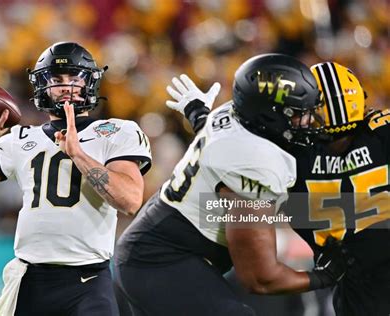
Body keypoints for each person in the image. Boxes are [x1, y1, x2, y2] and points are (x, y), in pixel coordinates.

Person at [113, 54, 348, 316]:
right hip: (157, 261)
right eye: (297, 115)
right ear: (270, 117)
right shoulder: (255, 161)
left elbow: (216, 137)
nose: (308, 122)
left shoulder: (237, 114)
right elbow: (260, 278)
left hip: (162, 243)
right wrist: (326, 276)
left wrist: (199, 113)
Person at [0, 41, 152, 316]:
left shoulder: (115, 131)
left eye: (74, 78)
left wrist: (79, 156)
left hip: (87, 281)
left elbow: (131, 200)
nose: (65, 87)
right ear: (42, 86)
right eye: (56, 79)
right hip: (32, 279)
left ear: (90, 83)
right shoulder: (23, 138)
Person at [175, 61, 390, 315]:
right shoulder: (381, 132)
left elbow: (233, 149)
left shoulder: (289, 149)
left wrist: (202, 119)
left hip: (352, 283)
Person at [286, 62, 390, 316]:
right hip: (357, 287)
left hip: (356, 288)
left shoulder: (292, 154)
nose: (301, 119)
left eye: (310, 110)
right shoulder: (382, 133)